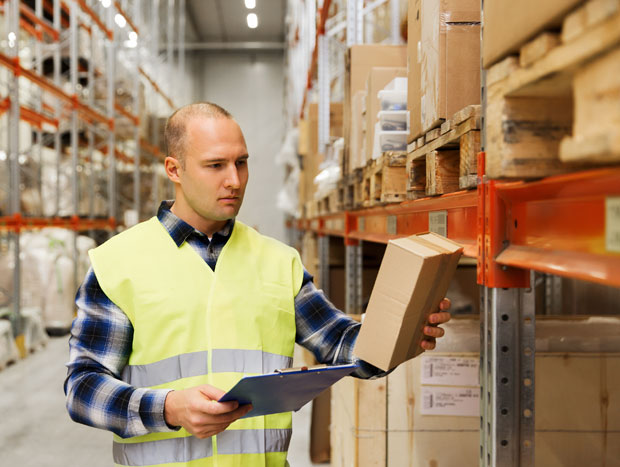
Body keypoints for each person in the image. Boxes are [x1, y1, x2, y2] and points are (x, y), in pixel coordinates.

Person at [65, 102, 452, 466]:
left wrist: (398, 338)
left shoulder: (278, 262)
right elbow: (83, 390)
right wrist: (169, 408)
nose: (234, 180)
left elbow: (339, 343)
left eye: (241, 163)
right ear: (174, 169)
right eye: (215, 165)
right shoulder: (119, 263)